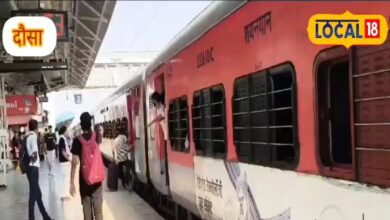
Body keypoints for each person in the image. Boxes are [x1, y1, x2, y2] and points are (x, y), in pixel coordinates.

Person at [70, 112, 103, 220]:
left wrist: (71, 183)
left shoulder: (76, 140)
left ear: (81, 125)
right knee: (98, 212)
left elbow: (74, 163)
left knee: (87, 211)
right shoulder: (97, 136)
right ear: (90, 123)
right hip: (97, 179)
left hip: (84, 180)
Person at [25, 119, 54, 220]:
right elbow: (34, 153)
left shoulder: (27, 136)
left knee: (38, 193)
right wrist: (35, 164)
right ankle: (31, 217)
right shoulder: (33, 137)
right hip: (33, 167)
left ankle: (46, 217)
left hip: (29, 167)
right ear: (36, 127)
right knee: (33, 193)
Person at [58, 126, 72, 201]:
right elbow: (63, 152)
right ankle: (63, 195)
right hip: (64, 162)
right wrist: (69, 159)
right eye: (67, 131)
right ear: (64, 131)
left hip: (64, 161)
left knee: (65, 178)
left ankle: (65, 194)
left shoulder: (63, 139)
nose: (68, 132)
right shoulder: (62, 139)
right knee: (65, 178)